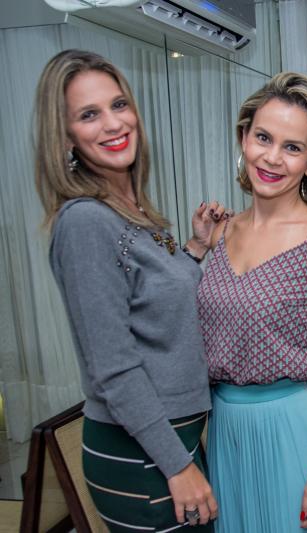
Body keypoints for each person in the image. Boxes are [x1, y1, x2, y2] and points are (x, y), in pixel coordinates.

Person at [36, 49, 226, 531]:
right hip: (144, 454)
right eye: (88, 114)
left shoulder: (129, 209)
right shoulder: (85, 223)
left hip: (165, 444)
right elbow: (113, 367)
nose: (113, 123)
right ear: (65, 136)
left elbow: (151, 304)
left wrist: (194, 249)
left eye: (118, 105)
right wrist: (178, 466)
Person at [198, 72, 307, 532]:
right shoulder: (220, 233)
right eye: (263, 138)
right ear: (244, 138)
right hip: (226, 429)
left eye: (292, 147)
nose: (272, 157)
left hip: (297, 428)